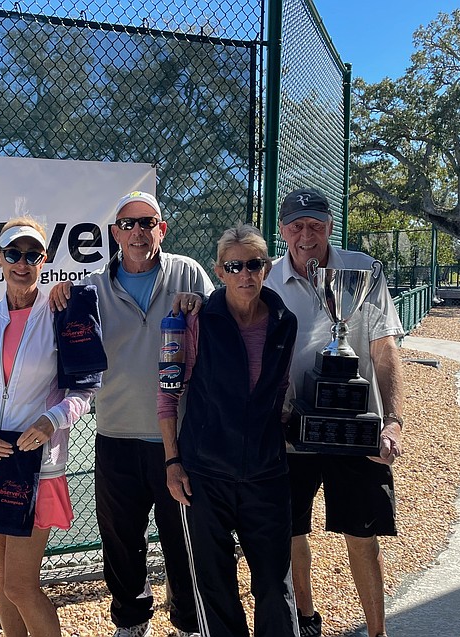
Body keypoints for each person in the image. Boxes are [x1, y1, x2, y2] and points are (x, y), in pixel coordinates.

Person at [50, 191, 214, 637]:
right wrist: (60, 293)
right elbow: (69, 334)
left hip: (179, 440)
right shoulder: (90, 288)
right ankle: (131, 620)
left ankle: (189, 623)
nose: (138, 231)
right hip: (117, 437)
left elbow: (220, 328)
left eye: (147, 222)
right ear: (115, 233)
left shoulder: (189, 273)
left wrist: (203, 306)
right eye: (128, 224)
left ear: (162, 229)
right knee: (121, 541)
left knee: (184, 541)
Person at [265, 188, 405, 637]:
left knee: (362, 536)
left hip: (356, 429)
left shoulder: (364, 270)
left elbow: (384, 349)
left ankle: (377, 631)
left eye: (315, 225)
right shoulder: (266, 279)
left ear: (330, 227)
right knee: (290, 532)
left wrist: (392, 421)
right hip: (292, 431)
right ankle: (306, 619)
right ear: (283, 230)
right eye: (296, 226)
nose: (306, 235)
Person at [0, 217, 96, 637]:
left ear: (43, 260)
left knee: (20, 584)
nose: (22, 263)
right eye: (13, 253)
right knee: (1, 578)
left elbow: (83, 389)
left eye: (32, 255)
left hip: (35, 467)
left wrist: (52, 421)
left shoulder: (61, 316)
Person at [158, 223, 300, 637]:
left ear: (266, 268)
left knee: (275, 585)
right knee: (215, 586)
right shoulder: (196, 320)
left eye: (254, 264)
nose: (245, 274)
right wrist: (172, 461)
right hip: (205, 474)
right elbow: (167, 395)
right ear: (219, 272)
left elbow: (280, 388)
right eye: (234, 266)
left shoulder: (284, 322)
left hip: (266, 474)